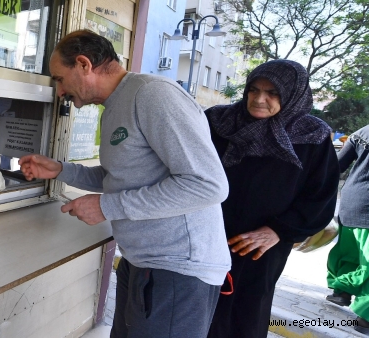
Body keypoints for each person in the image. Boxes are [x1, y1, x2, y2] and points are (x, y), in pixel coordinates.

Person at [18, 30, 231, 337]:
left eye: (60, 78)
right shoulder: (115, 107)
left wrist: (108, 206)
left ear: (83, 64)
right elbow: (120, 179)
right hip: (142, 263)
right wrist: (60, 170)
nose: (60, 91)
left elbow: (207, 185)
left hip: (179, 270)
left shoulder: (152, 94)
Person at [204, 60, 339, 338]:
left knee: (246, 315)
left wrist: (278, 231)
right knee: (198, 311)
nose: (259, 99)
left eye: (272, 93)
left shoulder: (311, 135)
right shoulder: (218, 122)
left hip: (261, 248)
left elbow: (320, 196)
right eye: (253, 89)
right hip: (205, 236)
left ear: (293, 94)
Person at [326, 124, 369, 334]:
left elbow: (335, 166)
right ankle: (366, 316)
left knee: (349, 250)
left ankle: (341, 291)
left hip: (352, 200)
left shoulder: (362, 132)